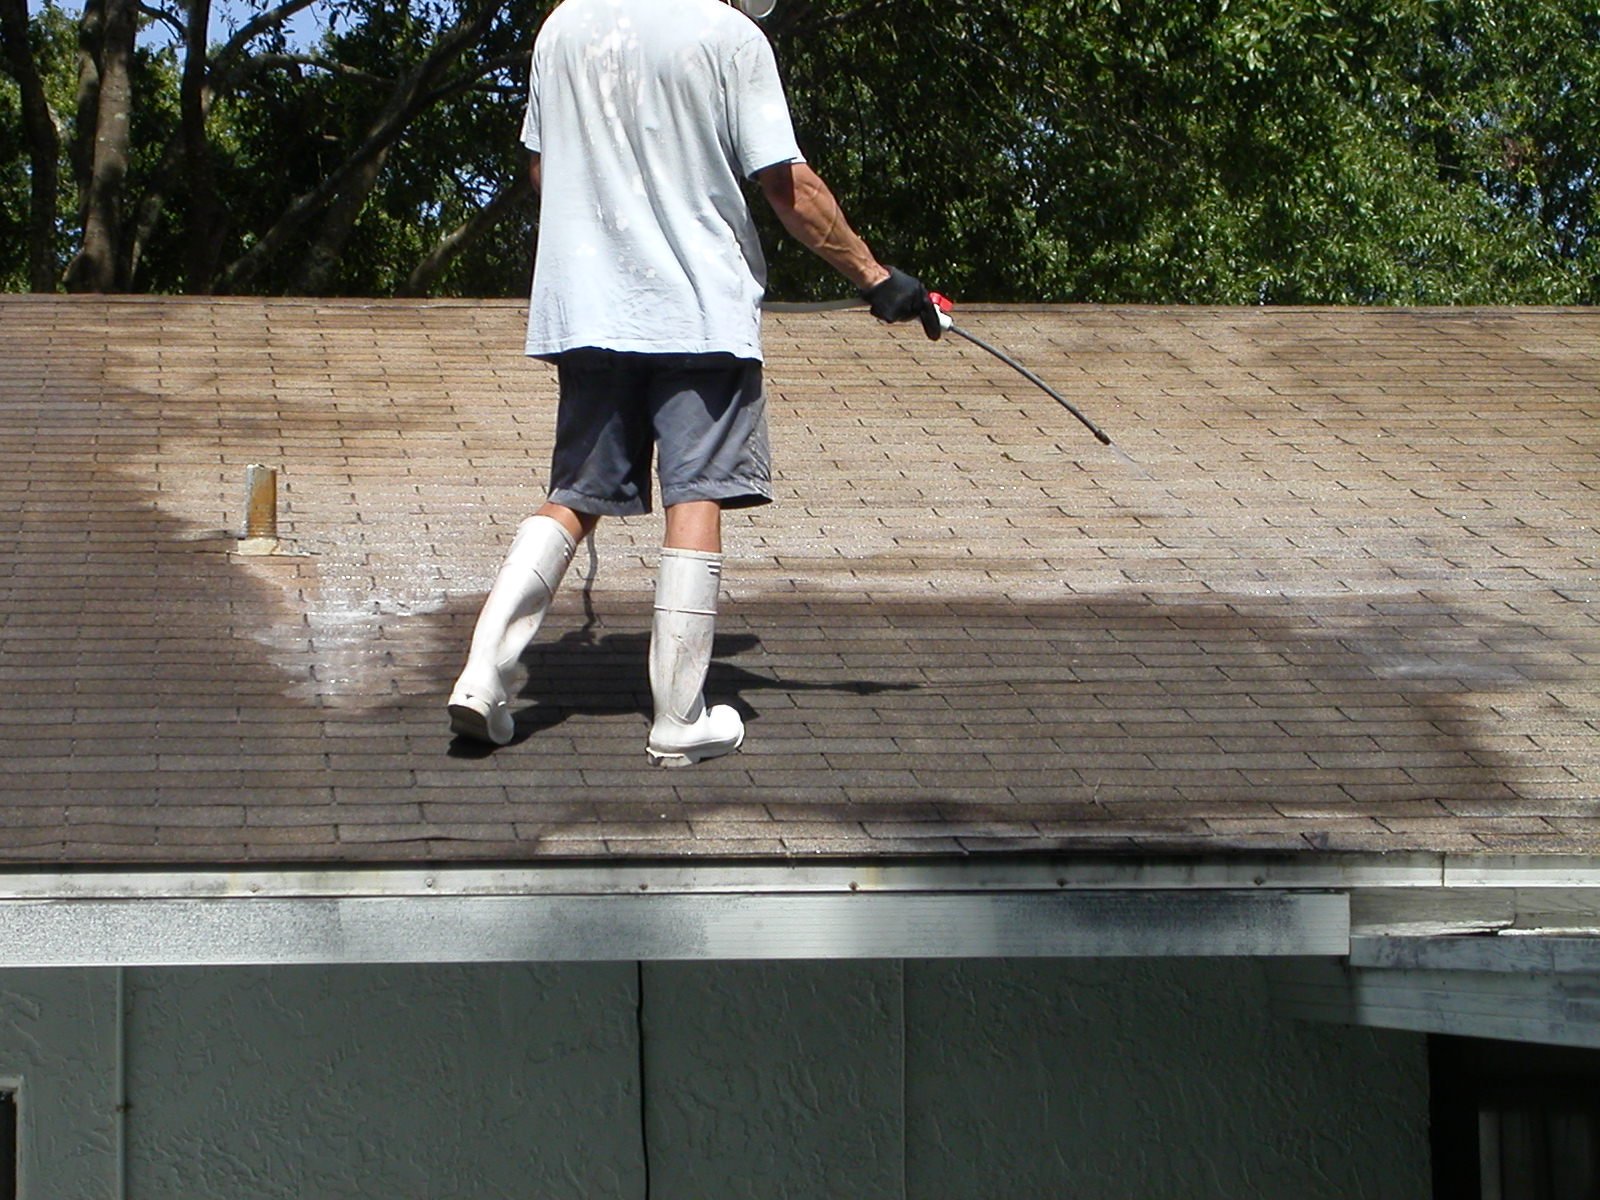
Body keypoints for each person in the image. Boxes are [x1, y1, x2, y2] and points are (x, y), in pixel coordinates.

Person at [447, 0, 934, 766]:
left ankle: (482, 676)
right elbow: (787, 186)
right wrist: (876, 277)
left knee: (574, 494)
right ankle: (679, 717)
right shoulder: (729, 36)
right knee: (695, 492)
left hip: (587, 307)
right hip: (697, 310)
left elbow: (544, 169)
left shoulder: (564, 26)